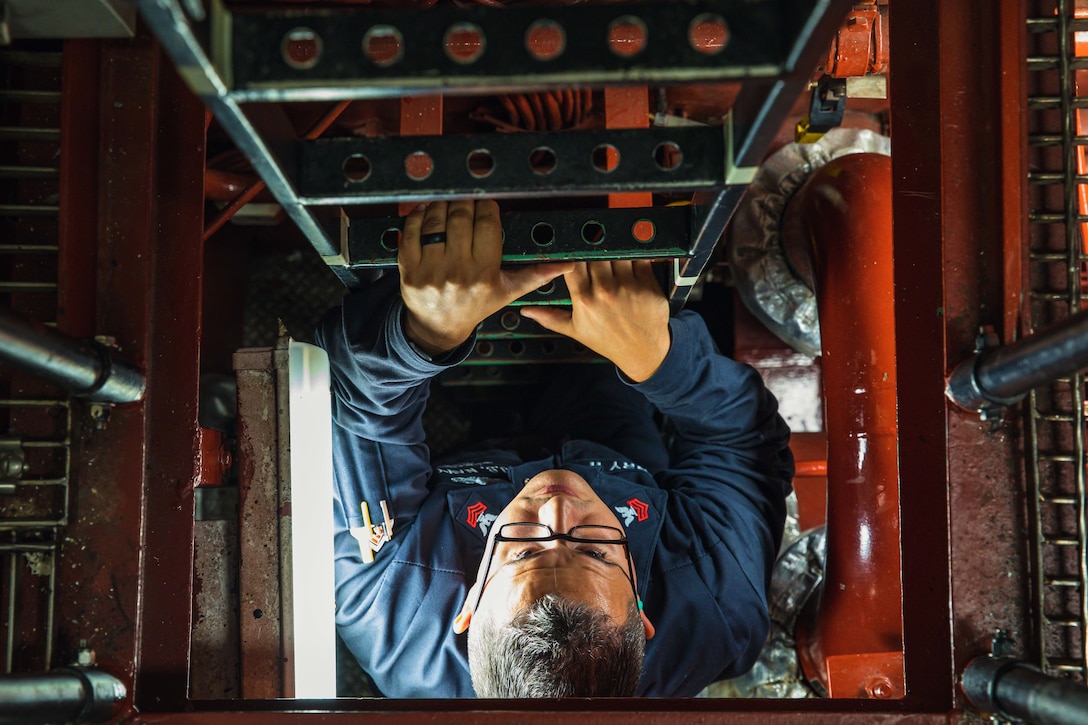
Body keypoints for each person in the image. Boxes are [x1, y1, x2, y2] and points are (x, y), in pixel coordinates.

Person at [315, 199, 793, 697]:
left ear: (470, 605)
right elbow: (744, 443)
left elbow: (355, 410)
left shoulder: (391, 614)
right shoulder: (718, 610)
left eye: (521, 548)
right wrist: (661, 360)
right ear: (642, 615)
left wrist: (424, 335)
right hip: (619, 440)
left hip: (468, 451)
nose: (557, 504)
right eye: (595, 550)